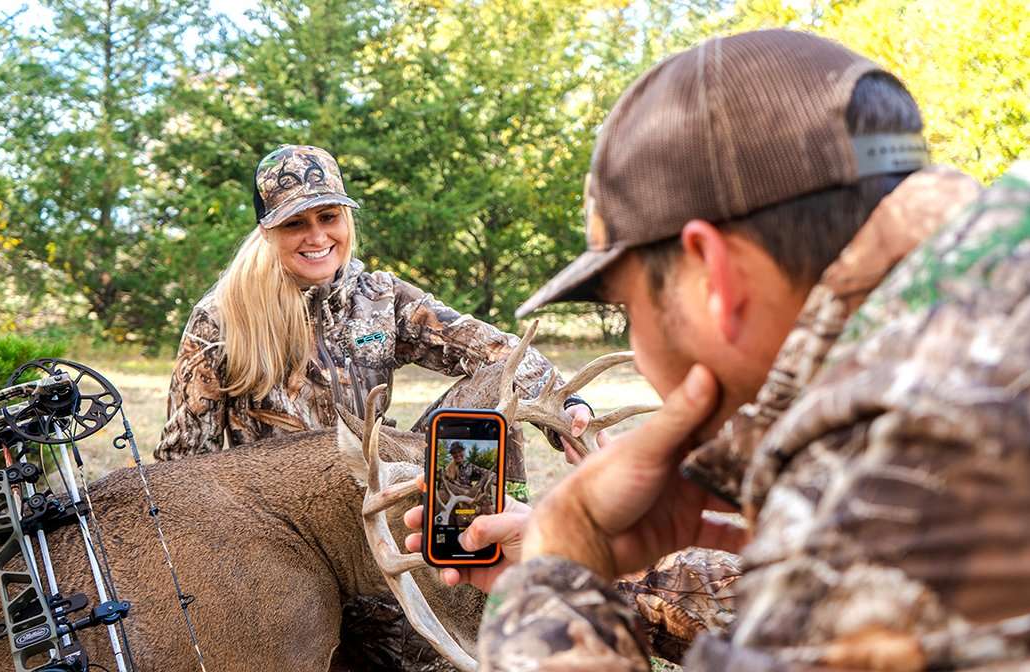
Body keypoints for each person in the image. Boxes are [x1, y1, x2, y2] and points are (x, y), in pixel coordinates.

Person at [439, 29, 1030, 670]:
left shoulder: (906, 456)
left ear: (712, 275)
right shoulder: (978, 324)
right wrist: (628, 573)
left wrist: (560, 552)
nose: (638, 348)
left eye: (626, 309)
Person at [153, 144, 596, 671]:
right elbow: (178, 467)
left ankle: (479, 577)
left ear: (345, 218)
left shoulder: (380, 296)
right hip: (285, 539)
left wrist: (569, 405)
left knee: (489, 395)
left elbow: (497, 351)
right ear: (268, 232)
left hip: (380, 503)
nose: (317, 237)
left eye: (328, 216)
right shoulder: (220, 318)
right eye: (296, 223)